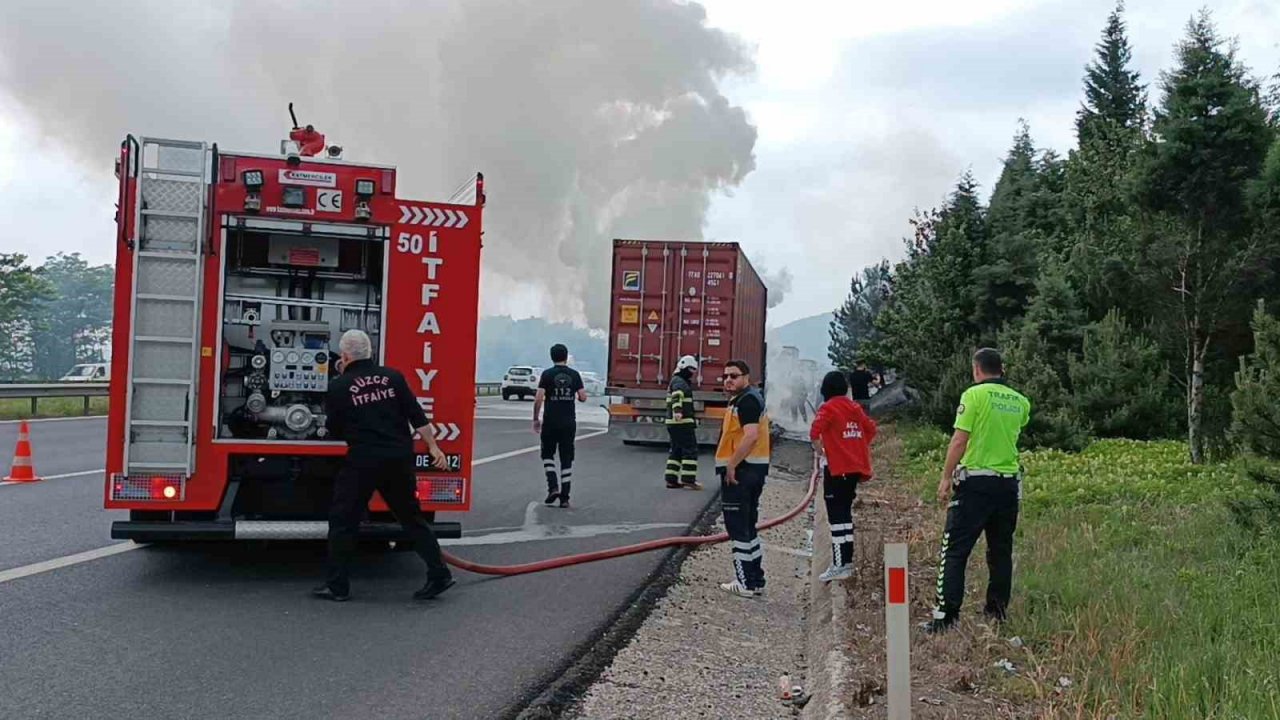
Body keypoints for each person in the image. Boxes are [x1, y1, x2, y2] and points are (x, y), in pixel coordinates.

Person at [313, 329, 454, 603]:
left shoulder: (340, 386)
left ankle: (337, 586)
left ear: (343, 355)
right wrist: (434, 448)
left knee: (343, 521)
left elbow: (334, 429)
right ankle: (440, 574)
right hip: (398, 459)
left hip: (363, 461)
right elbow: (418, 417)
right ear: (370, 352)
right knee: (411, 518)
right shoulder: (394, 377)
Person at [926, 347, 1031, 634]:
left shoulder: (973, 395)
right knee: (1000, 551)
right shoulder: (1021, 402)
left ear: (976, 370)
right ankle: (996, 612)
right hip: (1008, 485)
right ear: (1002, 369)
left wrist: (946, 477)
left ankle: (946, 616)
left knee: (955, 550)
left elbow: (960, 440)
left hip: (975, 484)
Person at [809, 371, 877, 583]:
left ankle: (839, 565)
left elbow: (814, 433)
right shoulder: (854, 407)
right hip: (854, 470)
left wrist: (822, 451)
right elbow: (871, 429)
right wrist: (854, 447)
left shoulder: (827, 408)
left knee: (837, 518)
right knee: (845, 515)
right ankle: (845, 562)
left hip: (837, 470)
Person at [714, 359, 772, 598]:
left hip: (742, 472)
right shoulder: (746, 398)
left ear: (746, 377)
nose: (729, 380)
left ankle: (744, 582)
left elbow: (750, 436)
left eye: (734, 376)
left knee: (738, 528)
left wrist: (731, 465)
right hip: (753, 471)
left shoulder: (747, 400)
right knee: (748, 526)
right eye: (726, 376)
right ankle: (756, 579)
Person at [533, 344, 586, 508]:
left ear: (552, 357)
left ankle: (553, 487)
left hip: (550, 422)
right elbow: (583, 397)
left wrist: (536, 418)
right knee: (566, 458)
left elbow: (539, 398)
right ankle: (565, 498)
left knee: (548, 455)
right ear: (566, 356)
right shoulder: (575, 375)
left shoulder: (547, 374)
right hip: (569, 422)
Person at [664, 355, 702, 490]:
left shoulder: (677, 380)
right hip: (682, 423)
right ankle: (688, 479)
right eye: (691, 369)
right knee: (690, 449)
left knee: (676, 450)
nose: (692, 373)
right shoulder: (680, 382)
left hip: (674, 423)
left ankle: (671, 479)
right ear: (683, 368)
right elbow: (677, 396)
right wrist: (678, 411)